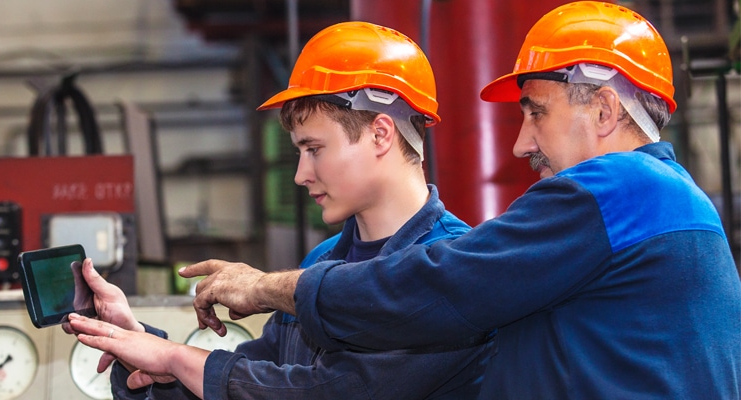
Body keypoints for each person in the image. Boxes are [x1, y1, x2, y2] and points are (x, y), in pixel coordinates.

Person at [174, 1, 741, 398]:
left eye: (535, 111)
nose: (520, 143)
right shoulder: (668, 202)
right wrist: (146, 351)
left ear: (605, 110)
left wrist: (266, 287)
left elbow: (435, 286)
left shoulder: (620, 192)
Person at [66, 21, 495, 399]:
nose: (300, 174)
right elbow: (246, 383)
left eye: (314, 149)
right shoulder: (322, 263)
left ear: (381, 134)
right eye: (298, 152)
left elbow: (331, 392)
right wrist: (133, 340)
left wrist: (176, 357)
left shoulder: (452, 274)